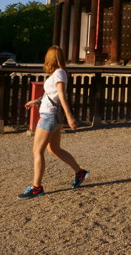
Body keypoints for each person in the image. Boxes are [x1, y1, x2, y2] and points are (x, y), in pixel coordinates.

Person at [18, 45, 88, 199]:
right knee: (54, 149)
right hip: (52, 116)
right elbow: (51, 95)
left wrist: (70, 117)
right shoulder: (56, 74)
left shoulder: (59, 73)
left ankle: (36, 187)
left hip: (50, 116)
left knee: (37, 151)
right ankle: (80, 172)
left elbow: (62, 96)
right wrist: (35, 101)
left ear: (50, 58)